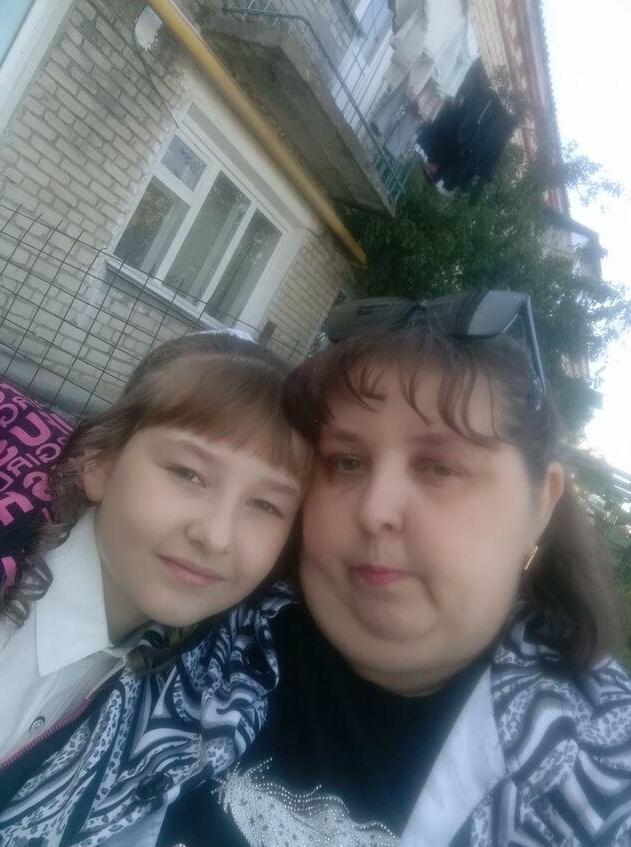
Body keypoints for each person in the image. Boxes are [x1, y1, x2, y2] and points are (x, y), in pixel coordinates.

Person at [157, 291, 631, 846]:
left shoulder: (598, 772)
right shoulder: (191, 630)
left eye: (439, 467)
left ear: (540, 505)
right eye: (346, 462)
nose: (375, 509)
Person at [0, 331, 310, 845]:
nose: (216, 535)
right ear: (100, 462)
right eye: (188, 473)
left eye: (265, 505)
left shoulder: (207, 695)